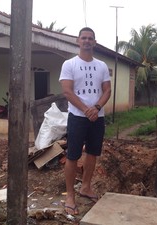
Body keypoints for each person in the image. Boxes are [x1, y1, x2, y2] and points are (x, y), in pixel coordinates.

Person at [59, 27, 111, 216]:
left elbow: (107, 90)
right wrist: (86, 110)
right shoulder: (69, 64)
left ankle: (86, 187)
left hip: (97, 117)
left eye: (90, 38)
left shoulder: (102, 66)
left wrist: (96, 108)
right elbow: (67, 91)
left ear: (94, 42)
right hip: (78, 117)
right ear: (77, 41)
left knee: (92, 153)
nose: (87, 41)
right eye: (84, 38)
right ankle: (70, 196)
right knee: (73, 155)